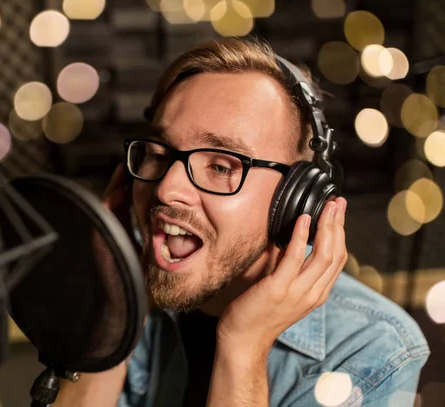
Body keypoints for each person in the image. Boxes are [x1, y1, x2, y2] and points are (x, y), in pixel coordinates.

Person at [52, 37, 430, 407]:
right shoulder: (125, 301)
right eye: (158, 153)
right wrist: (117, 303)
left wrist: (244, 348)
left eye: (220, 166)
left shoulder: (375, 349)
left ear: (297, 200)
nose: (167, 188)